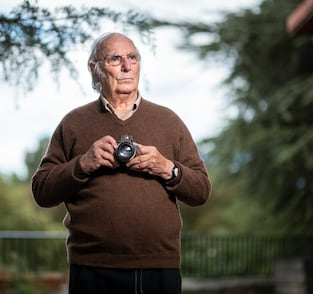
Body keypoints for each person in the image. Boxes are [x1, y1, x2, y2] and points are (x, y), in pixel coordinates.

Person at [31, 32, 211, 294]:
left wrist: (166, 168)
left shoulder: (169, 121)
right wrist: (82, 164)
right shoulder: (73, 123)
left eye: (133, 58)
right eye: (116, 59)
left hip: (158, 267)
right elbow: (41, 191)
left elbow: (202, 190)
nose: (127, 66)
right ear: (95, 70)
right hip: (91, 268)